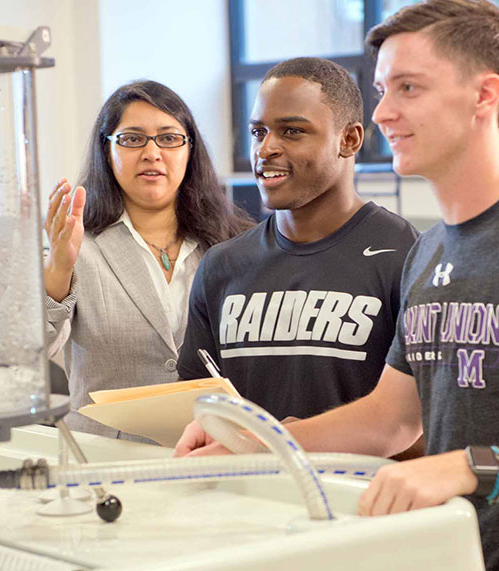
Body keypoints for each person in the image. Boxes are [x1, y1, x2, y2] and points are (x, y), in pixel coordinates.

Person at [177, 2, 499, 571]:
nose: (382, 113)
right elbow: (389, 420)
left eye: (408, 87)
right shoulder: (430, 250)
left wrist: (465, 468)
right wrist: (259, 442)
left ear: (485, 95)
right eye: (381, 90)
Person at [176, 57, 419, 426]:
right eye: (258, 132)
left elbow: (429, 425)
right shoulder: (223, 265)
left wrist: (306, 440)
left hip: (358, 484)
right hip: (244, 484)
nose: (265, 149)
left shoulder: (405, 255)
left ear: (349, 139)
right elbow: (192, 408)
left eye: (292, 131)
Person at [44, 80, 253, 438]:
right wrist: (58, 268)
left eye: (169, 138)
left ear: (190, 150)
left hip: (213, 452)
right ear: (106, 150)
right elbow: (27, 353)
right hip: (105, 461)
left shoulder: (236, 244)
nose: (152, 153)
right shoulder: (78, 246)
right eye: (132, 139)